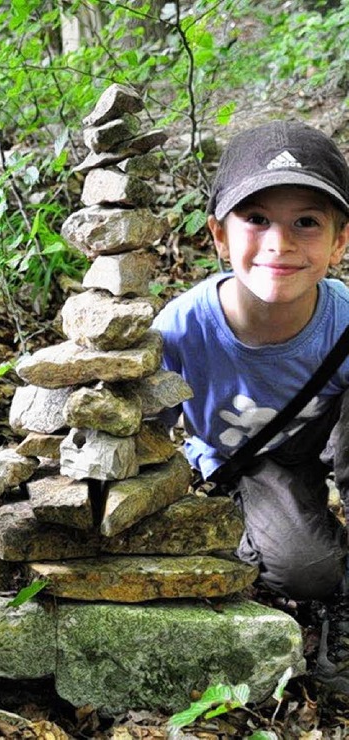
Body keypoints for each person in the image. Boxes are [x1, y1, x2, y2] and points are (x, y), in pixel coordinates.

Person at [152, 119, 349, 680]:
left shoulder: (343, 322)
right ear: (219, 235)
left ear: (340, 241)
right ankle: (252, 530)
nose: (278, 244)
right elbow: (143, 430)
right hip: (227, 463)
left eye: (305, 223)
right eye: (255, 219)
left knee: (316, 572)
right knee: (305, 568)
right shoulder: (182, 328)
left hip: (302, 460)